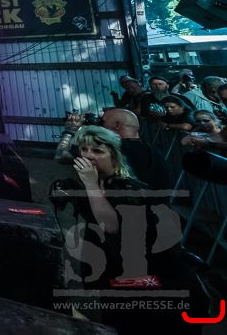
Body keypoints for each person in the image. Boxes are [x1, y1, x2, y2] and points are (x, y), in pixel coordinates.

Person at [61, 126, 206, 331]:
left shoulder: (130, 189)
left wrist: (90, 184)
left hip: (153, 287)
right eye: (84, 149)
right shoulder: (101, 182)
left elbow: (110, 227)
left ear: (114, 156)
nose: (88, 156)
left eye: (97, 151)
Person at [100, 108, 174, 191]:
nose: (99, 126)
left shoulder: (123, 149)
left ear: (117, 125)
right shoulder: (148, 149)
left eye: (102, 122)